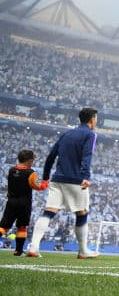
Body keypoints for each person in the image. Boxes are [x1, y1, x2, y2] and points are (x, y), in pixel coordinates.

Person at [28, 107, 100, 259]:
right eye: (96, 119)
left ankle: (33, 247)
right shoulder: (90, 134)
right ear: (92, 119)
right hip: (76, 180)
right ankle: (83, 250)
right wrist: (86, 176)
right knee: (82, 213)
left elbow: (51, 156)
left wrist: (46, 177)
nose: (96, 121)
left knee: (49, 212)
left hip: (57, 179)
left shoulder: (67, 134)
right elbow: (87, 155)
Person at [1, 149, 49, 256]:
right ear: (29, 160)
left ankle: (18, 250)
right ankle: (18, 251)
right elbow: (36, 186)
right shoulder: (31, 173)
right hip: (24, 203)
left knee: (4, 226)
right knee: (22, 226)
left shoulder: (11, 170)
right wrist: (45, 183)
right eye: (33, 160)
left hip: (11, 201)